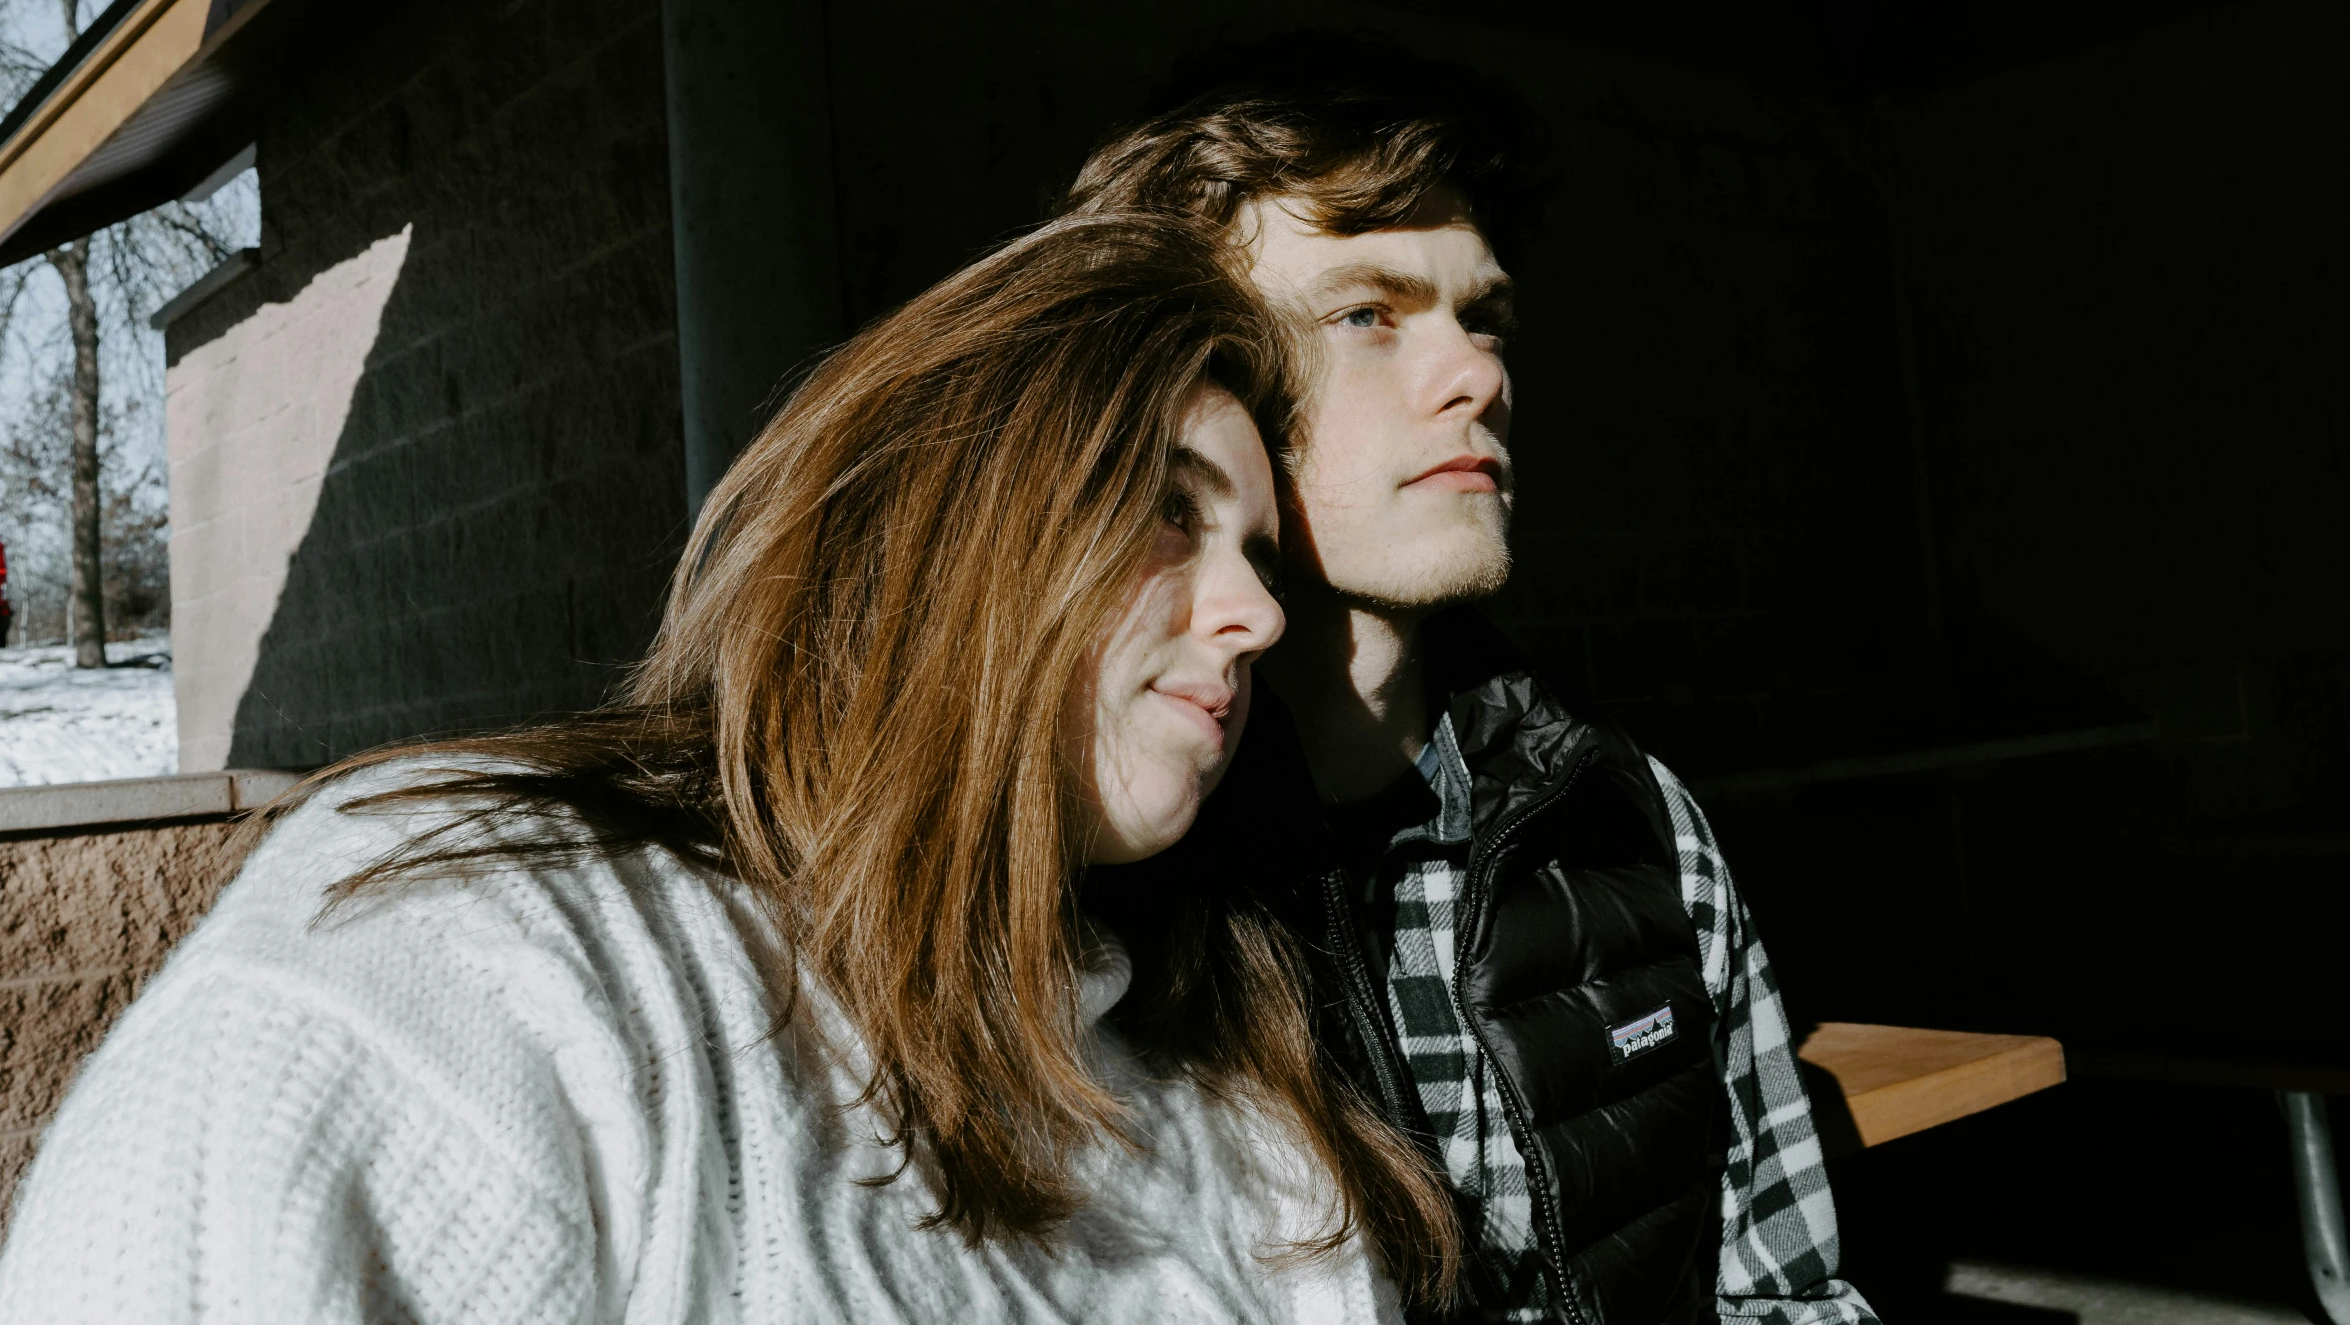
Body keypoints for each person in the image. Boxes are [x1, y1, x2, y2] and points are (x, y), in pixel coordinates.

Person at [0, 214, 1467, 1323]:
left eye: (1262, 557)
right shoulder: (484, 962)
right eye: (1165, 507)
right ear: (942, 523)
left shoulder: (1241, 1130)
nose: (1260, 614)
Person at [1065, 47, 1881, 1325]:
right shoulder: (1093, 876)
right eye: (1367, 315)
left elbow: (1792, 1294)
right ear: (1194, 381)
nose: (1479, 376)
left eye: (1480, 316)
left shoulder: (1626, 817)